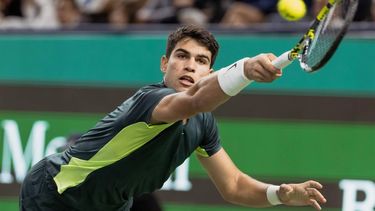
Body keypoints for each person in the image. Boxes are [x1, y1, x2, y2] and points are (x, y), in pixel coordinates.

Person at [20, 24, 327, 211]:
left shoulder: (203, 124)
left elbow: (233, 185)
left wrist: (280, 195)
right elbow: (194, 100)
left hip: (109, 206)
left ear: (209, 72)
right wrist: (244, 69)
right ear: (165, 64)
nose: (190, 66)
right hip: (54, 195)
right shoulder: (151, 100)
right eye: (182, 56)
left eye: (201, 61)